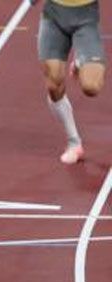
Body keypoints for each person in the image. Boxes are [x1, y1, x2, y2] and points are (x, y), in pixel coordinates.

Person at [34, 0, 105, 164]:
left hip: (86, 18)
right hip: (53, 16)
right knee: (53, 84)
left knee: (92, 87)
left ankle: (80, 61)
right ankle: (74, 142)